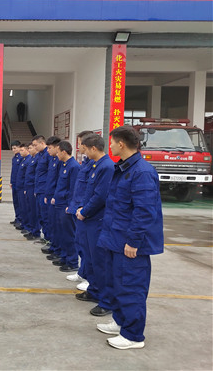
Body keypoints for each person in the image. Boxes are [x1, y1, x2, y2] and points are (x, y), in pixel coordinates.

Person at [96, 126, 163, 350]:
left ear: (121, 144)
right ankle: (120, 321)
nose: (110, 146)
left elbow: (145, 211)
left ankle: (133, 335)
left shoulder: (142, 172)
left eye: (112, 142)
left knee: (131, 288)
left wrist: (134, 241)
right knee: (117, 284)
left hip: (130, 244)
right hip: (116, 239)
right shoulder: (123, 168)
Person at [75, 133, 115, 317]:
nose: (83, 151)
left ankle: (106, 301)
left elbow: (100, 196)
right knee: (90, 258)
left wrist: (85, 211)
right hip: (89, 219)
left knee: (100, 262)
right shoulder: (95, 165)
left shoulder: (106, 167)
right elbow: (89, 192)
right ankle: (94, 290)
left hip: (97, 220)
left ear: (93, 148)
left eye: (85, 148)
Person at [66, 130, 95, 289]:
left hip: (87, 211)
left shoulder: (97, 165)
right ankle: (82, 272)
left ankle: (90, 278)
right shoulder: (86, 162)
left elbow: (94, 192)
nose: (78, 146)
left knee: (88, 247)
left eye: (80, 143)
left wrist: (84, 209)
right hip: (78, 207)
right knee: (81, 243)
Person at [51, 140, 80, 272]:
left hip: (66, 205)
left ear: (63, 152)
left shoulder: (74, 166)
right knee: (61, 232)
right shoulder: (63, 165)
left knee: (69, 234)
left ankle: (72, 262)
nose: (57, 154)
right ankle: (64, 257)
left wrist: (70, 205)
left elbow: (74, 189)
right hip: (59, 203)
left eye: (58, 152)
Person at [31, 135, 50, 246]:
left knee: (45, 216)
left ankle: (48, 239)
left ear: (42, 143)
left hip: (44, 190)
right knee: (40, 215)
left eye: (35, 145)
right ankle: (45, 236)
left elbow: (50, 174)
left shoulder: (48, 155)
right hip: (39, 189)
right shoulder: (40, 155)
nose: (34, 147)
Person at [22, 143, 41, 240]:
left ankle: (35, 231)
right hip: (28, 186)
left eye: (30, 148)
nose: (29, 150)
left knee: (34, 211)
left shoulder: (37, 159)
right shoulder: (32, 159)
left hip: (33, 187)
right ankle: (31, 229)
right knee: (29, 209)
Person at [9, 140, 22, 227]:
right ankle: (17, 217)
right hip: (14, 183)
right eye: (12, 148)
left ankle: (20, 219)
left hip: (19, 183)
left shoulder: (21, 158)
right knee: (15, 202)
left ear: (19, 147)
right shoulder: (14, 158)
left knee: (20, 202)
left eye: (15, 148)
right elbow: (13, 171)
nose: (13, 150)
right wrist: (11, 181)